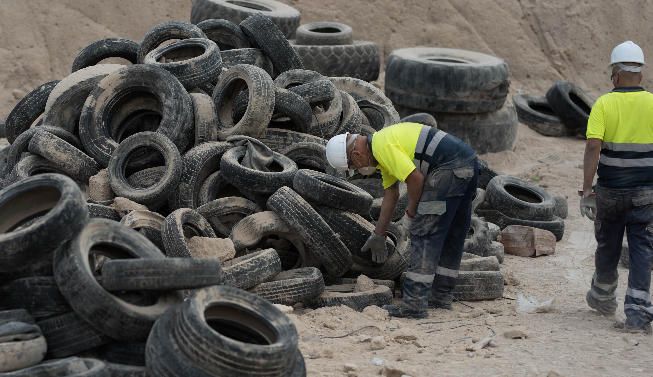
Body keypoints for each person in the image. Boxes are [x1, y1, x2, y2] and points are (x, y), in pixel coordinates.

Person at [325, 122, 478, 318]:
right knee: (452, 233)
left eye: (354, 167)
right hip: (467, 167)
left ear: (356, 155)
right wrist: (378, 234)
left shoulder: (382, 147)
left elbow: (415, 179)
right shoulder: (381, 147)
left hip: (448, 174)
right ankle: (441, 296)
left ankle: (414, 305)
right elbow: (391, 194)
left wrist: (412, 212)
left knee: (424, 231)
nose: (358, 169)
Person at [581, 40, 653, 334]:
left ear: (615, 74)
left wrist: (587, 189)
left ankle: (602, 295)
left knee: (608, 244)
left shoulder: (603, 103)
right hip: (646, 194)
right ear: (641, 74)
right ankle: (636, 315)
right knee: (642, 249)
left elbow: (593, 146)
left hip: (609, 192)